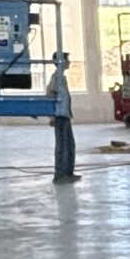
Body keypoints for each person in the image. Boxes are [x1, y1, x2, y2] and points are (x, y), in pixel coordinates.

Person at [47, 48, 77, 184]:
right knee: (62, 146)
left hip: (65, 115)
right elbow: (51, 94)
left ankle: (68, 173)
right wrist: (52, 116)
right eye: (67, 60)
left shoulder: (61, 77)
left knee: (70, 145)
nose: (69, 62)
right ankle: (59, 176)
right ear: (61, 62)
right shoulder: (57, 77)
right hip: (59, 116)